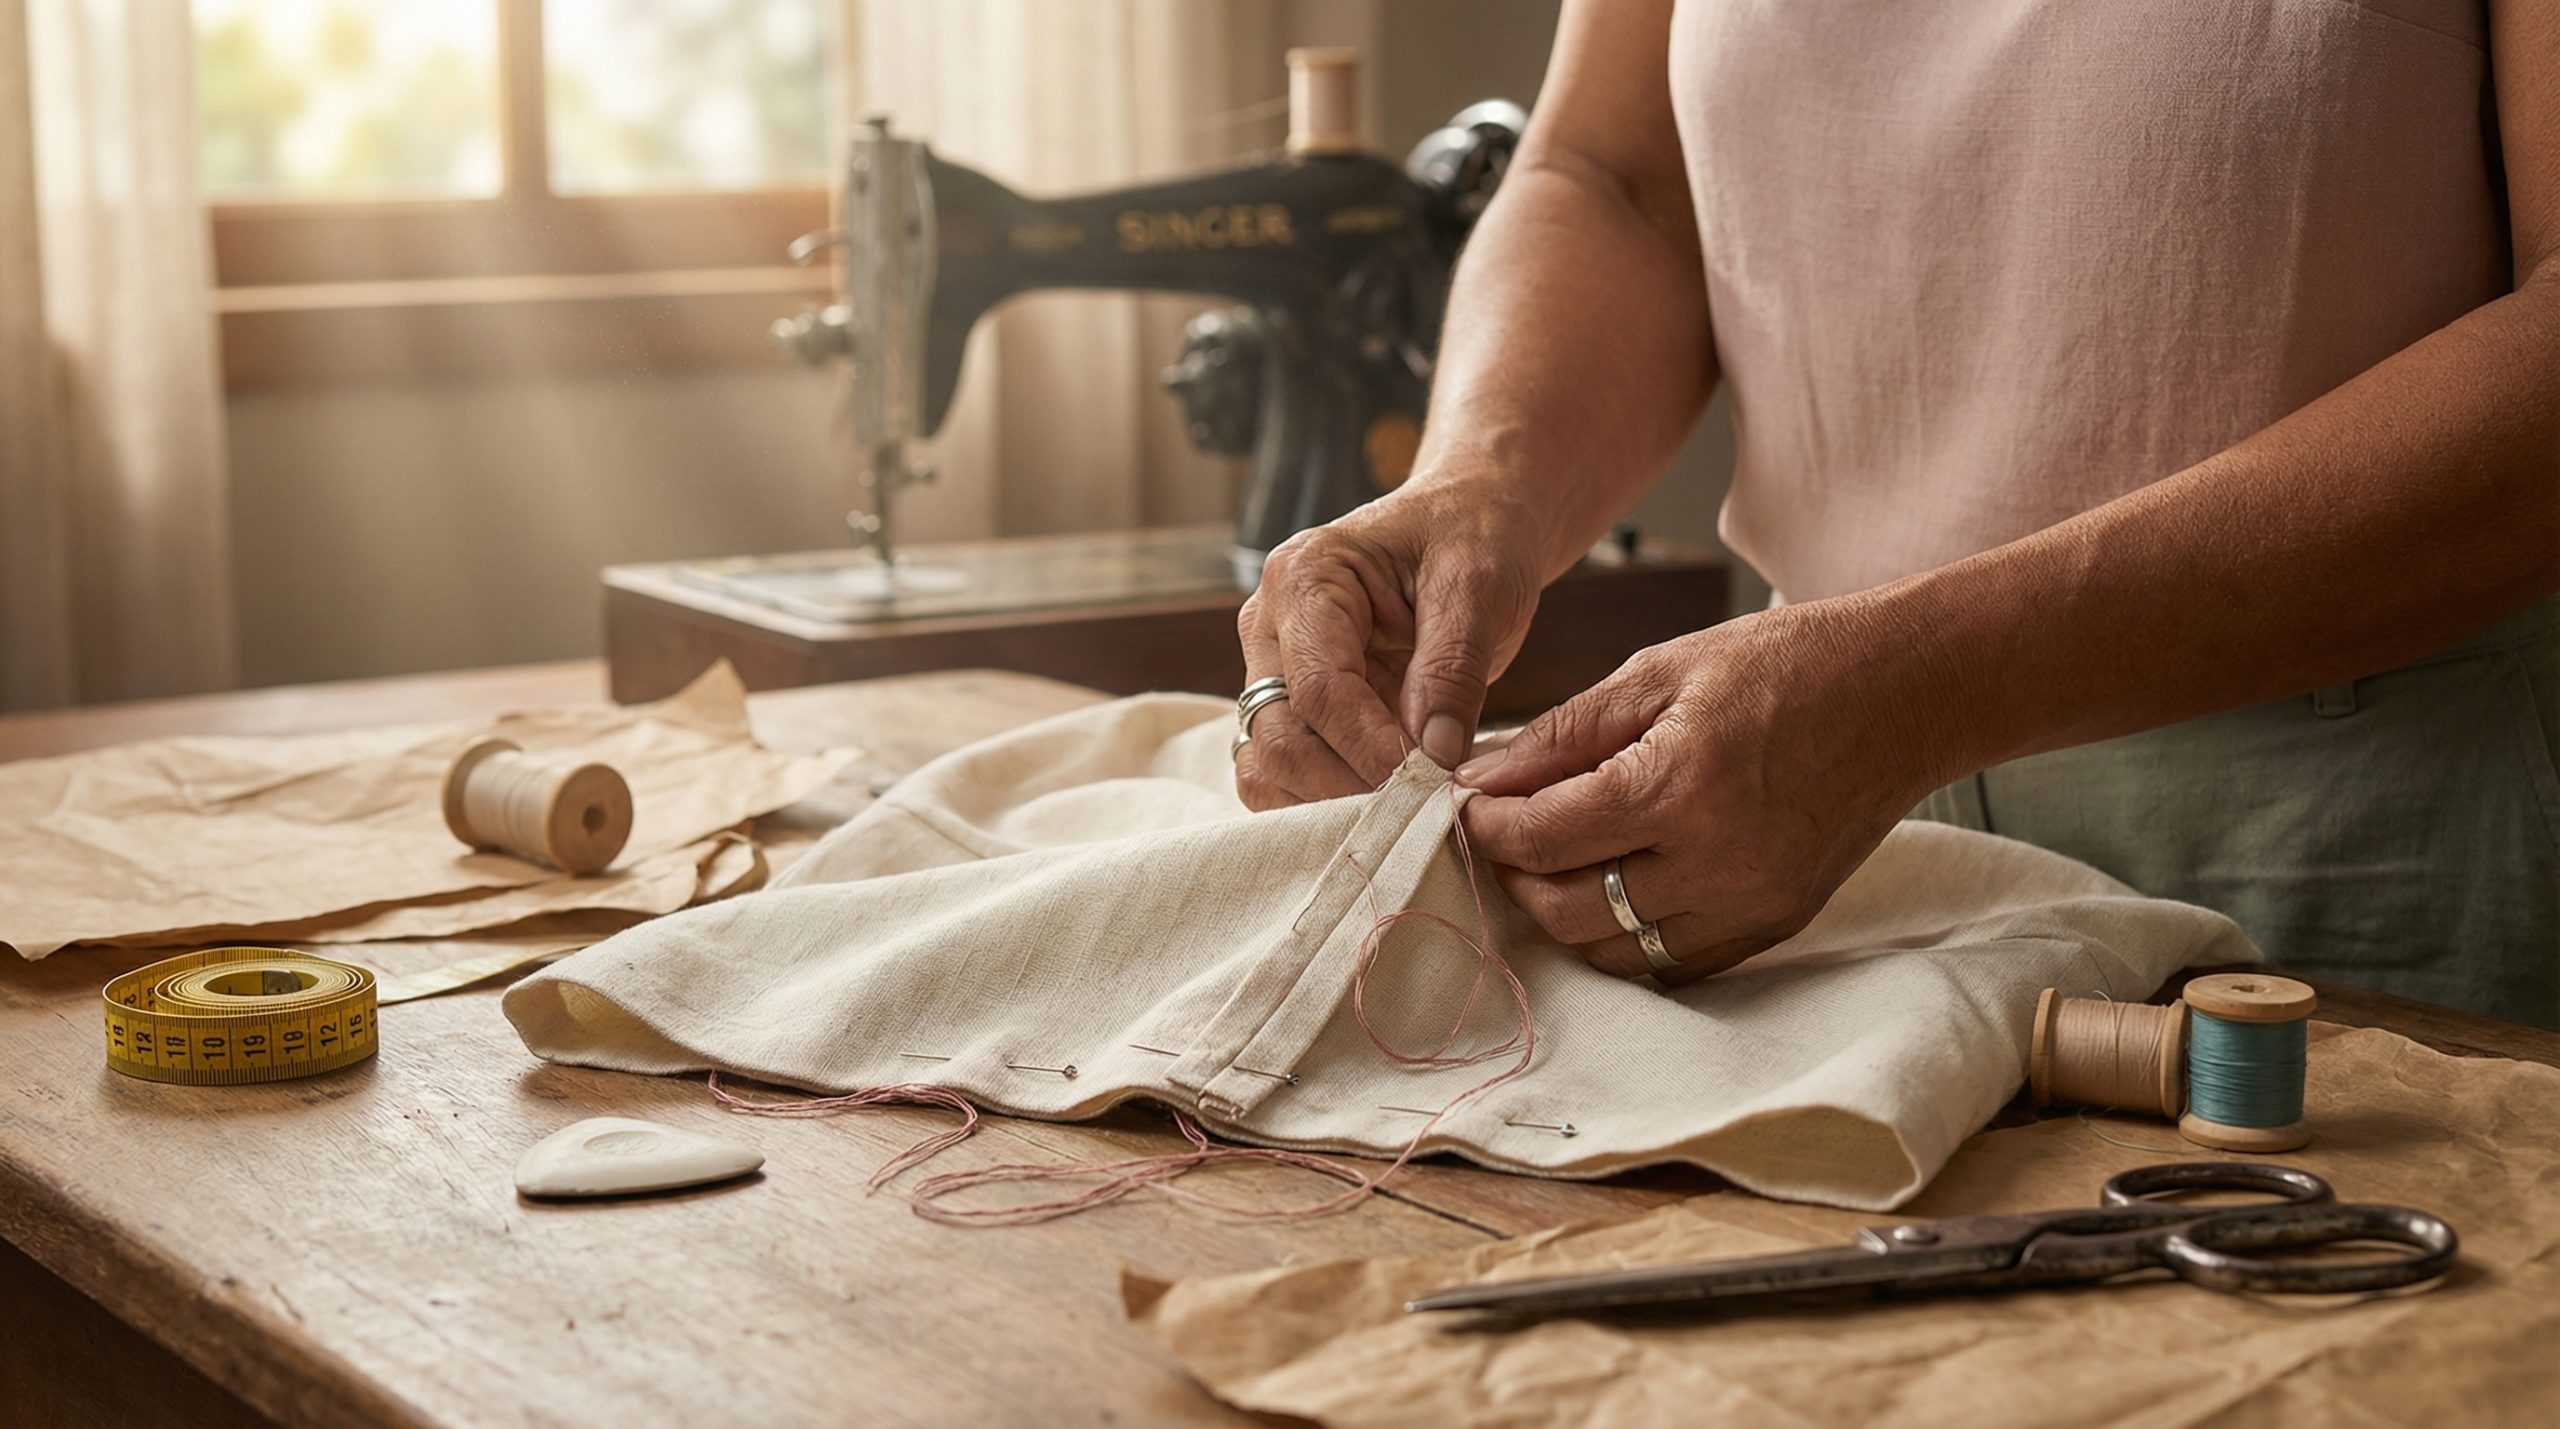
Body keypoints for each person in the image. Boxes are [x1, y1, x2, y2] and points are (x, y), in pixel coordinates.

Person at [1230, 0, 2560, 1026]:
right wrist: (1480, 482)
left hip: (2356, 830)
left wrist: (1921, 685)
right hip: (1792, 847)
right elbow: (1617, 176)